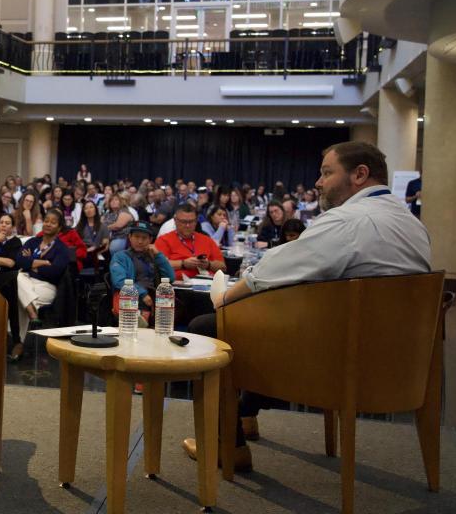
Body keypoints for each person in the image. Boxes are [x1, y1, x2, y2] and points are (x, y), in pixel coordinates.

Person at [182, 141, 432, 472]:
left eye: (327, 173)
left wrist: (225, 298)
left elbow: (272, 270)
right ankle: (244, 415)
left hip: (338, 364)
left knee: (210, 326)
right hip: (401, 362)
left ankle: (227, 447)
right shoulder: (413, 223)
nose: (318, 182)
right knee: (269, 326)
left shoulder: (348, 220)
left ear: (360, 175)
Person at [0, 209, 72, 363]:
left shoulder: (62, 249)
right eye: (46, 220)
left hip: (46, 286)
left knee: (17, 289)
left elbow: (54, 272)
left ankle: (18, 342)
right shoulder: (33, 241)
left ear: (59, 227)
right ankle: (32, 313)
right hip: (26, 280)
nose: (48, 224)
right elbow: (18, 261)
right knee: (17, 277)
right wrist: (42, 263)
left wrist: (31, 263)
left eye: (52, 222)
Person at [110, 222, 175, 325]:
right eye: (136, 237)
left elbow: (170, 278)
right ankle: (140, 319)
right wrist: (142, 294)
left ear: (150, 240)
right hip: (131, 299)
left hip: (155, 300)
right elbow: (119, 281)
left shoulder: (154, 256)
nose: (140, 241)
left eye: (144, 238)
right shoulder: (120, 256)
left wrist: (158, 256)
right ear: (130, 237)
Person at [154, 203, 225, 281]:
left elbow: (223, 267)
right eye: (183, 222)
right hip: (178, 287)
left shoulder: (206, 239)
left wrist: (208, 265)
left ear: (196, 221)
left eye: (191, 221)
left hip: (207, 285)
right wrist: (183, 264)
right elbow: (158, 266)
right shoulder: (164, 240)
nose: (187, 225)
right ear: (175, 220)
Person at [75, 200, 109, 268]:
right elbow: (75, 243)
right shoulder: (79, 227)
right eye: (86, 208)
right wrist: (85, 250)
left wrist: (95, 250)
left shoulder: (103, 226)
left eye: (91, 207)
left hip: (97, 250)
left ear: (95, 210)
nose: (89, 210)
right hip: (83, 251)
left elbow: (105, 246)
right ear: (83, 212)